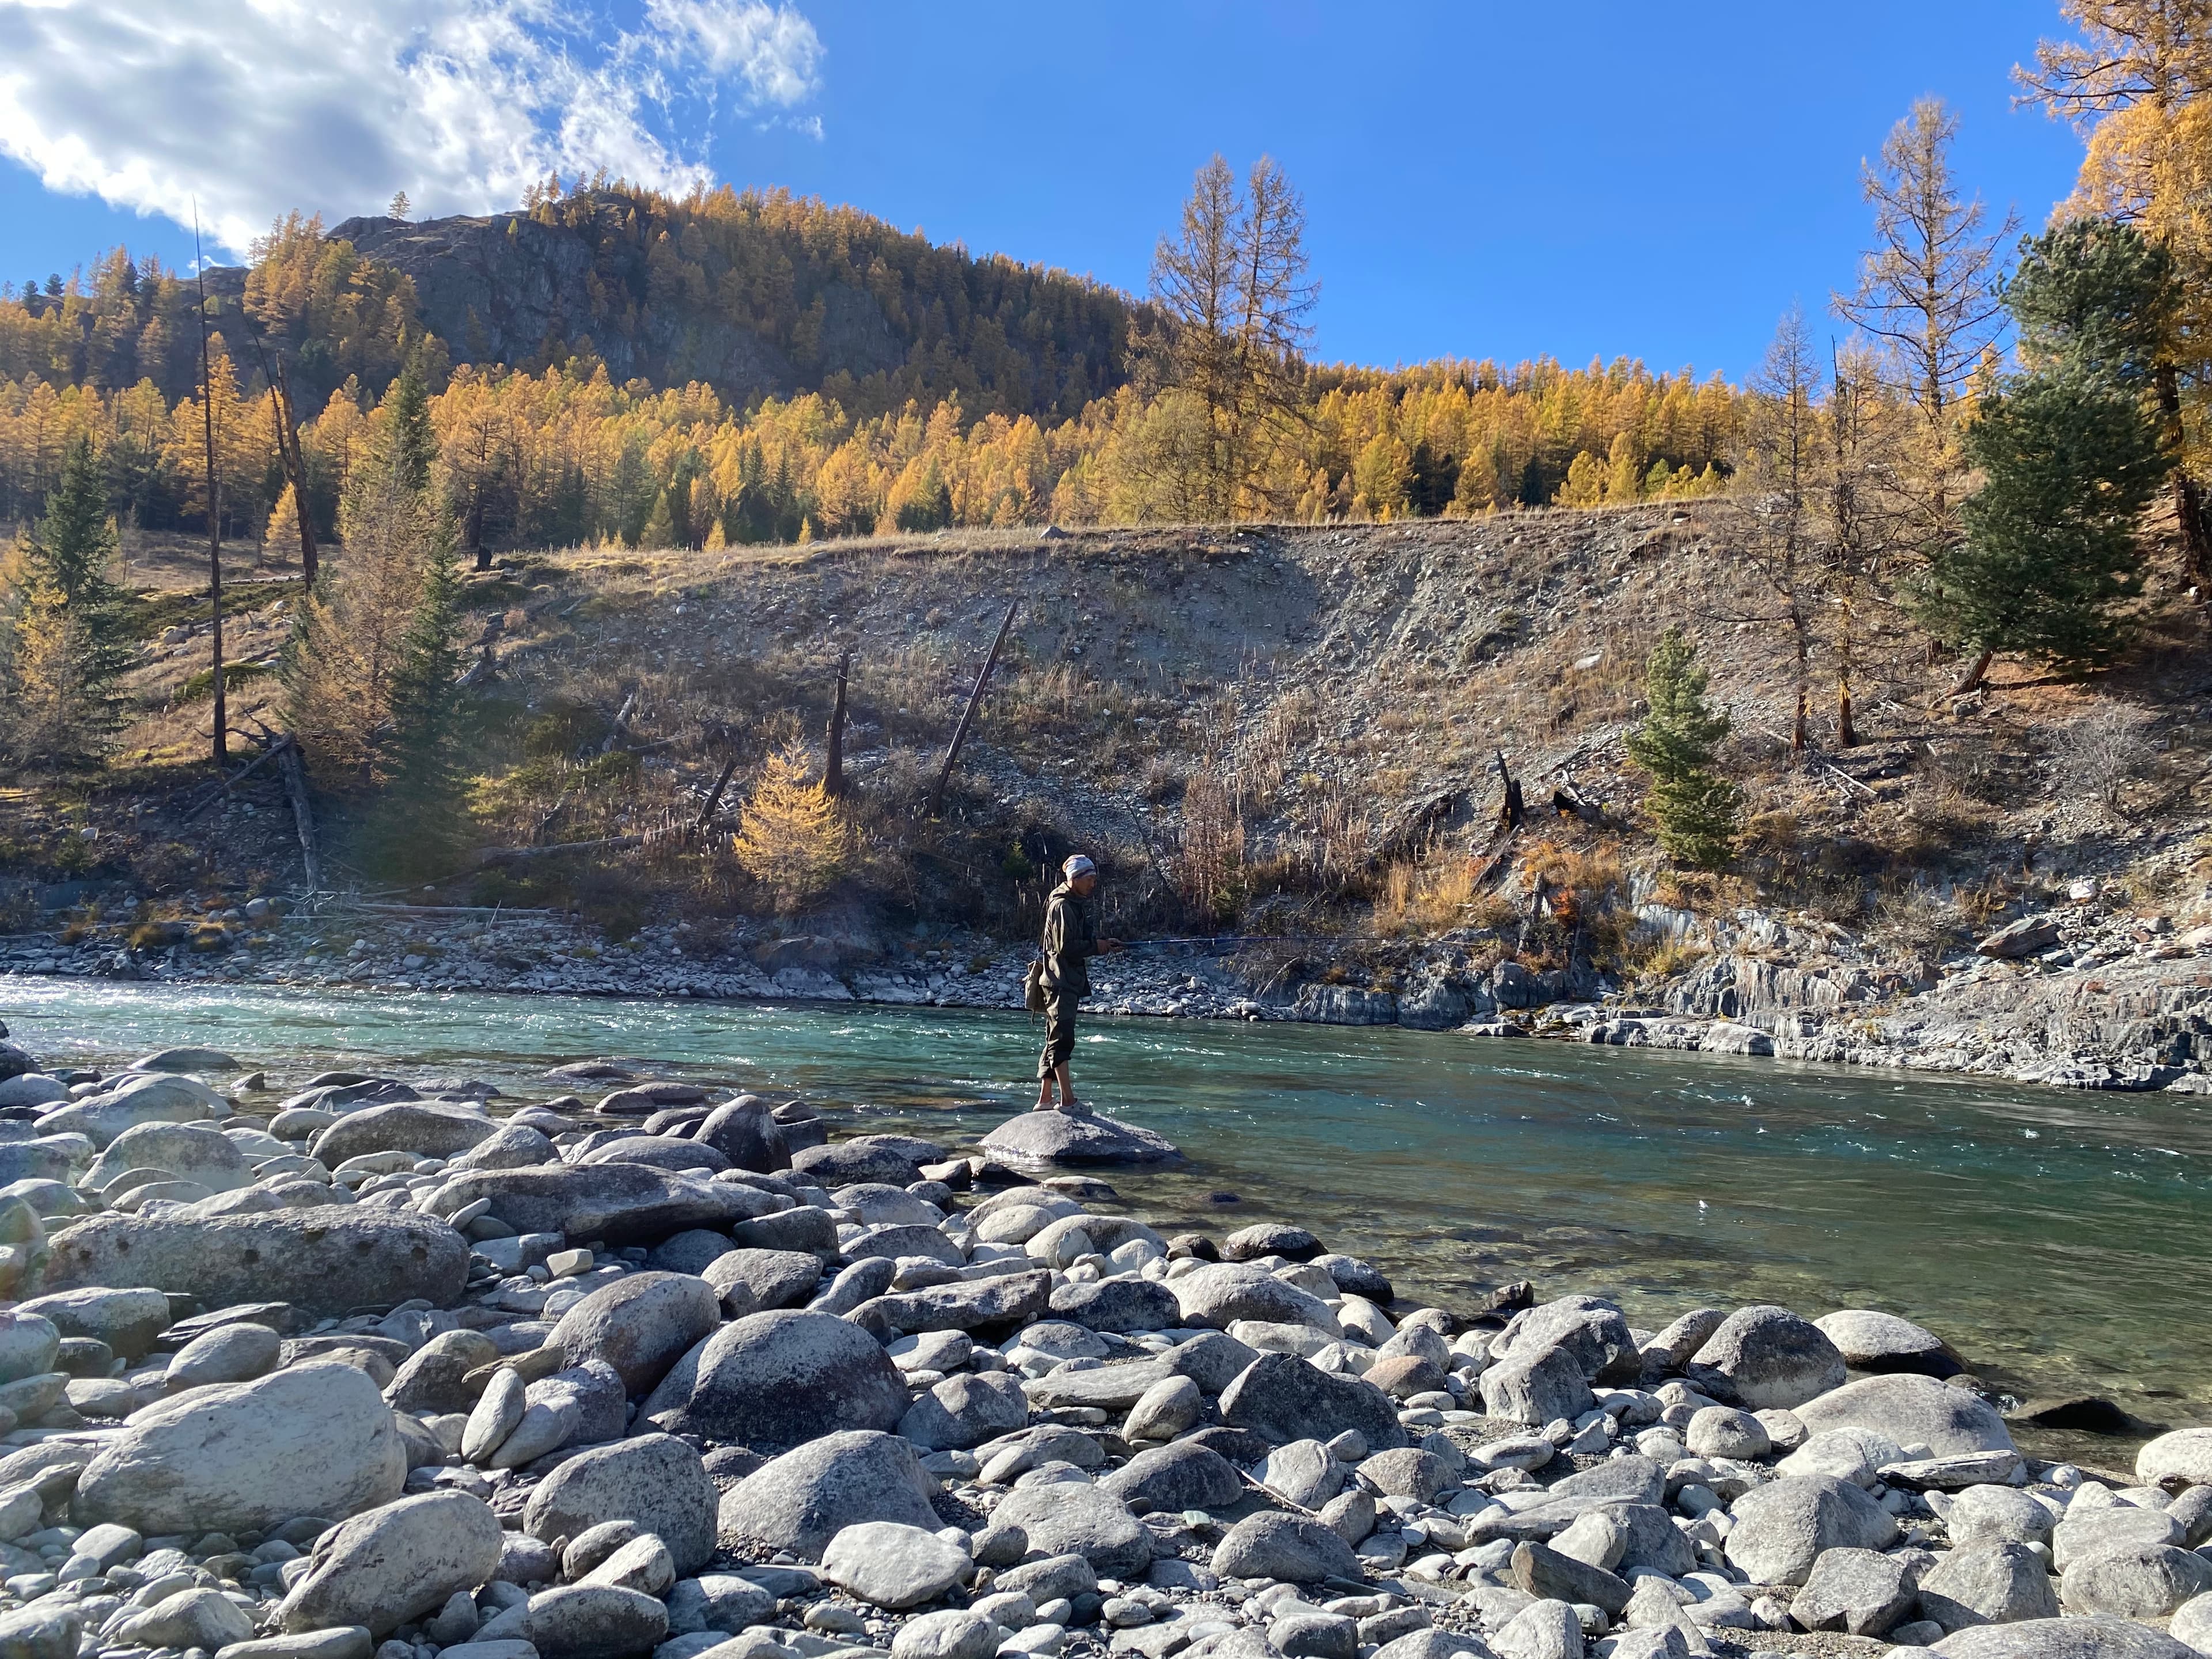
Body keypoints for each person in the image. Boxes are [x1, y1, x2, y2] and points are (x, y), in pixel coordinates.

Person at [1034, 854, 1121, 1114]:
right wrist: (1098, 947)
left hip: (1062, 978)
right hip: (1060, 980)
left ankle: (1045, 1099)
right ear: (1075, 879)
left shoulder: (1072, 903)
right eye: (1090, 879)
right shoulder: (1063, 906)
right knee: (1062, 1039)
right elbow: (1066, 948)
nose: (1093, 884)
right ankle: (1068, 1102)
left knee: (1054, 1037)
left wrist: (1104, 944)